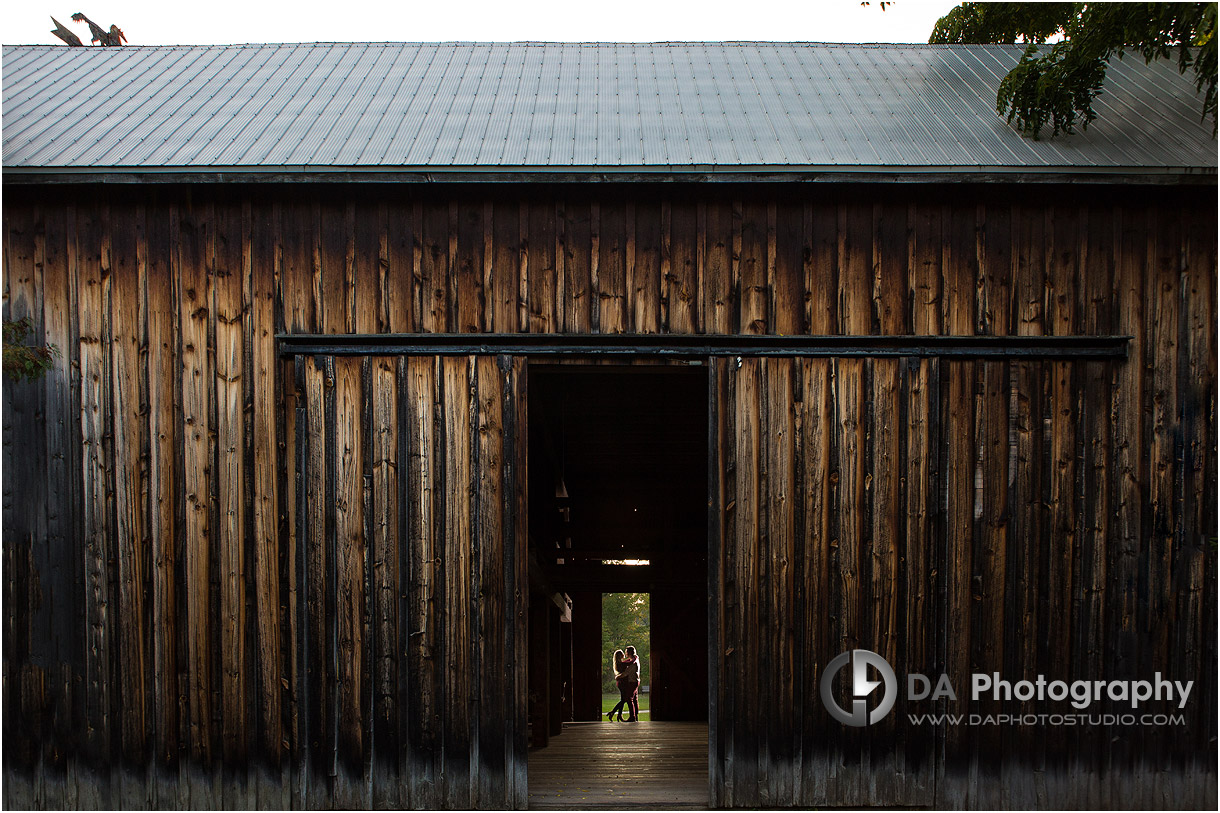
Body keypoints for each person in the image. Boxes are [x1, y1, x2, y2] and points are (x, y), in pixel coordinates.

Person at [607, 649, 630, 721]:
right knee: (624, 699)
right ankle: (614, 712)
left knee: (623, 699)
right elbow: (631, 662)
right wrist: (635, 657)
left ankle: (618, 714)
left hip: (621, 683)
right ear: (620, 655)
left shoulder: (618, 664)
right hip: (623, 683)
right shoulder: (622, 664)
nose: (624, 654)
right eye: (622, 653)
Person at [621, 645, 642, 722]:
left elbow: (626, 673)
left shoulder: (632, 663)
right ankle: (635, 715)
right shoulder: (635, 659)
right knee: (635, 699)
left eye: (626, 652)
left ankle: (632, 717)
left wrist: (618, 677)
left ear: (628, 652)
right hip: (636, 681)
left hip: (632, 681)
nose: (625, 653)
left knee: (629, 698)